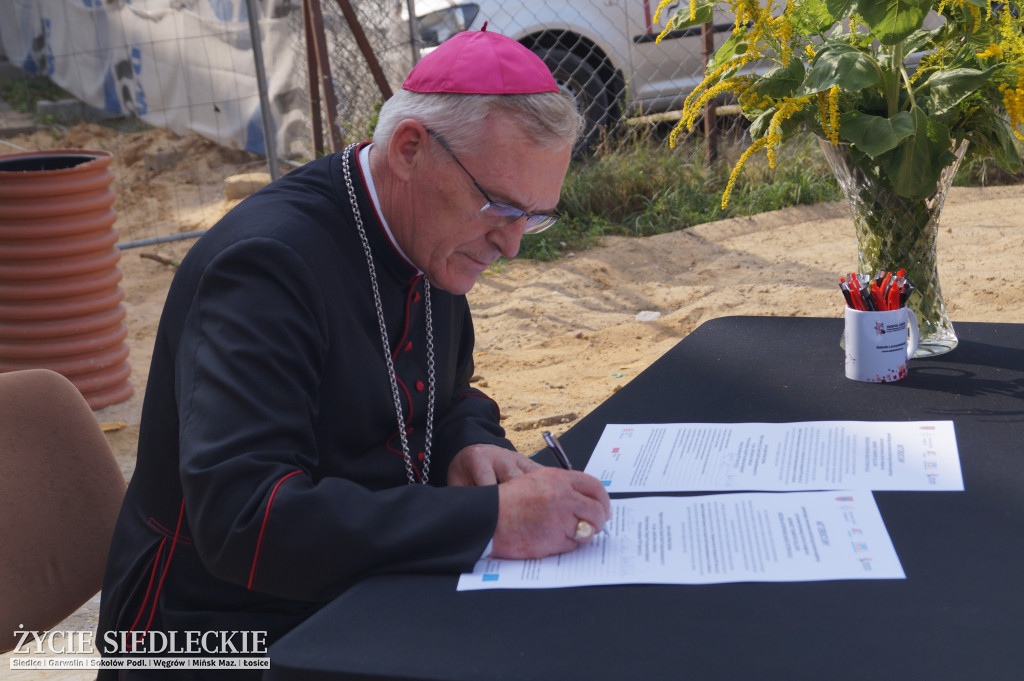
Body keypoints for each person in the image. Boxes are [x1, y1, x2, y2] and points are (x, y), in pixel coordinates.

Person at [97, 27, 610, 675]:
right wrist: (487, 520)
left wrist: (468, 445)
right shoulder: (266, 266)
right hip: (212, 627)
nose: (512, 244)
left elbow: (445, 394)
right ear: (410, 149)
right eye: (500, 207)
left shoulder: (428, 230)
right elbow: (245, 519)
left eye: (533, 216)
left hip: (361, 585)